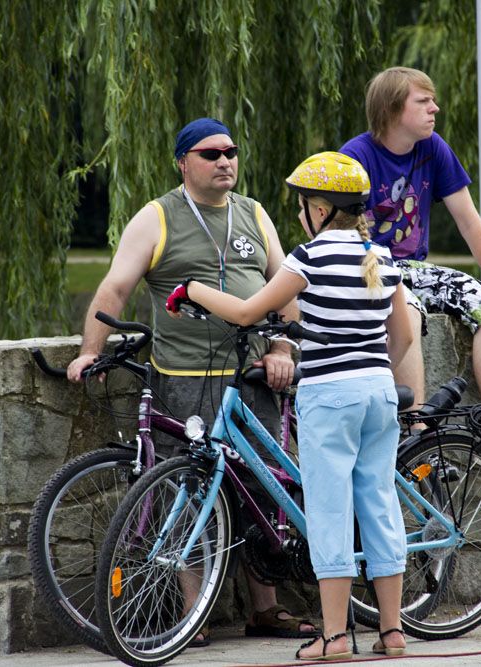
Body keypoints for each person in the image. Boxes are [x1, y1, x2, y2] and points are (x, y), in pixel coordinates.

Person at [66, 117, 316, 643]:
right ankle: (190, 613)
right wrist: (90, 351)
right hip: (183, 378)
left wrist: (281, 349)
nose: (225, 161)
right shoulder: (157, 217)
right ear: (183, 163)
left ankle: (266, 609)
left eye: (231, 151)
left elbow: (285, 289)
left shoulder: (254, 213)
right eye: (210, 154)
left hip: (250, 377)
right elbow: (115, 289)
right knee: (185, 488)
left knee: (262, 487)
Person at [165, 152, 413, 660]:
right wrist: (367, 367)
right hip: (379, 391)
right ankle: (392, 632)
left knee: (329, 511)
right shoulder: (382, 257)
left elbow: (247, 311)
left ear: (320, 210)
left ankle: (335, 637)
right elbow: (404, 337)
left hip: (331, 397)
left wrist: (193, 289)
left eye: (303, 207)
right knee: (380, 504)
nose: (301, 216)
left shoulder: (309, 258)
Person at [339, 66, 481, 483]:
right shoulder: (356, 157)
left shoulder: (432, 149)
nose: (435, 108)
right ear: (393, 109)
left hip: (413, 268)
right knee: (407, 314)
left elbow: (470, 223)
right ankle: (418, 437)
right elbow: (338, 234)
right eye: (423, 101)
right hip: (371, 268)